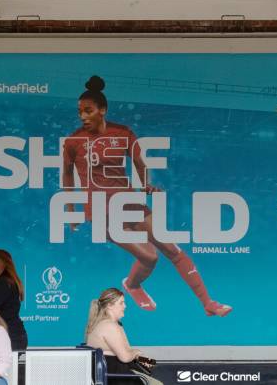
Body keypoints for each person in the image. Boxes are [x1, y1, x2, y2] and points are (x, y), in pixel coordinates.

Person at [62, 75, 230, 317]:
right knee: (150, 257)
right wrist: (71, 209)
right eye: (80, 112)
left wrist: (145, 185)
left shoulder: (123, 133)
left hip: (129, 204)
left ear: (103, 110)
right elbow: (67, 176)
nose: (83, 116)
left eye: (88, 111)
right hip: (103, 213)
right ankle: (132, 285)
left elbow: (139, 163)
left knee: (172, 249)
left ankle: (208, 303)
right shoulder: (73, 141)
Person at [84, 288, 162, 385]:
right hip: (116, 374)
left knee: (152, 364)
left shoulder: (108, 324)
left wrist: (139, 356)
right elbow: (125, 357)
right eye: (121, 303)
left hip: (112, 370)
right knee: (157, 381)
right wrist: (136, 352)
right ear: (110, 306)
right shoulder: (109, 326)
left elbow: (126, 350)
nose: (125, 306)